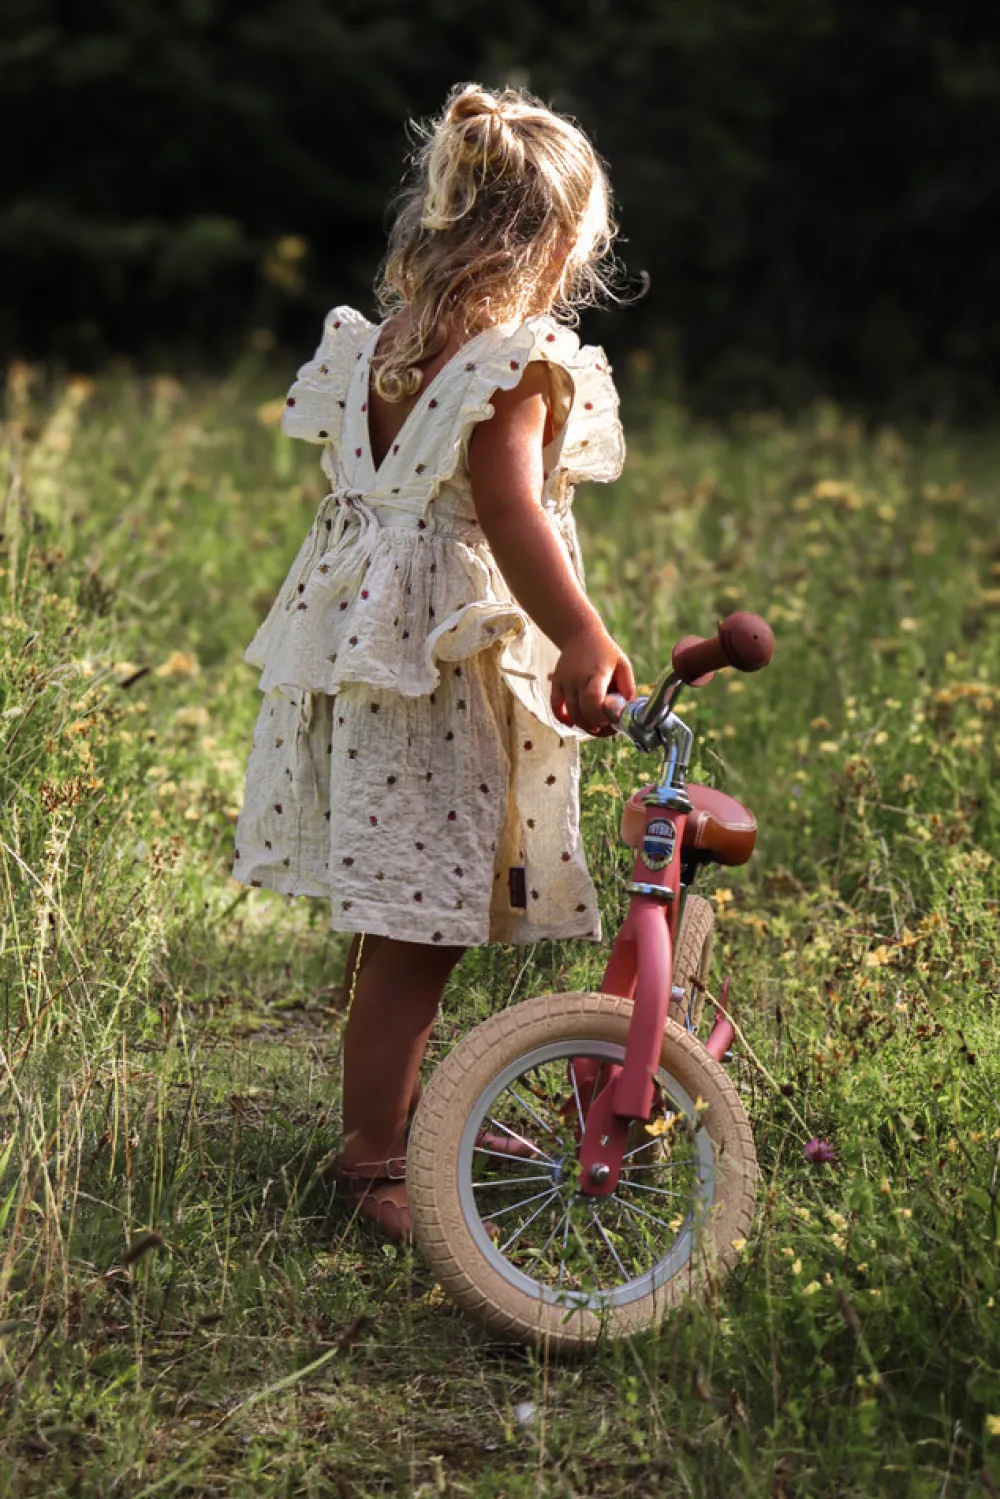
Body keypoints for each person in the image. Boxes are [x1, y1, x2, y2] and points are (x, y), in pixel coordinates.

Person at [232, 82, 635, 1241]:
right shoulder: (513, 358)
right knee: (421, 924)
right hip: (438, 669)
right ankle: (372, 1161)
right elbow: (508, 509)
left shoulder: (384, 341)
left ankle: (398, 1118)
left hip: (371, 656)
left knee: (396, 909)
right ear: (554, 239)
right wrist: (582, 634)